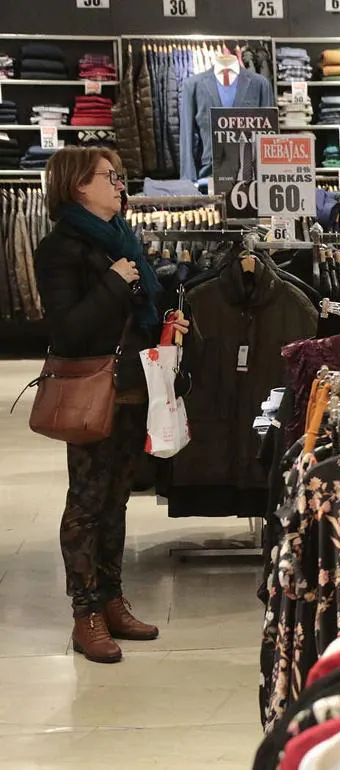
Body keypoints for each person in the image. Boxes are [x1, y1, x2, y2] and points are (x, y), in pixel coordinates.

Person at [33, 147, 189, 664]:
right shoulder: (60, 248)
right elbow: (68, 329)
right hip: (90, 389)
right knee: (86, 502)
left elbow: (147, 304)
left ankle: (112, 598)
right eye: (109, 176)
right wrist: (114, 282)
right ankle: (86, 614)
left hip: (132, 384)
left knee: (118, 498)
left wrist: (170, 321)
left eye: (119, 177)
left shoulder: (124, 238)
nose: (119, 184)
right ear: (78, 185)